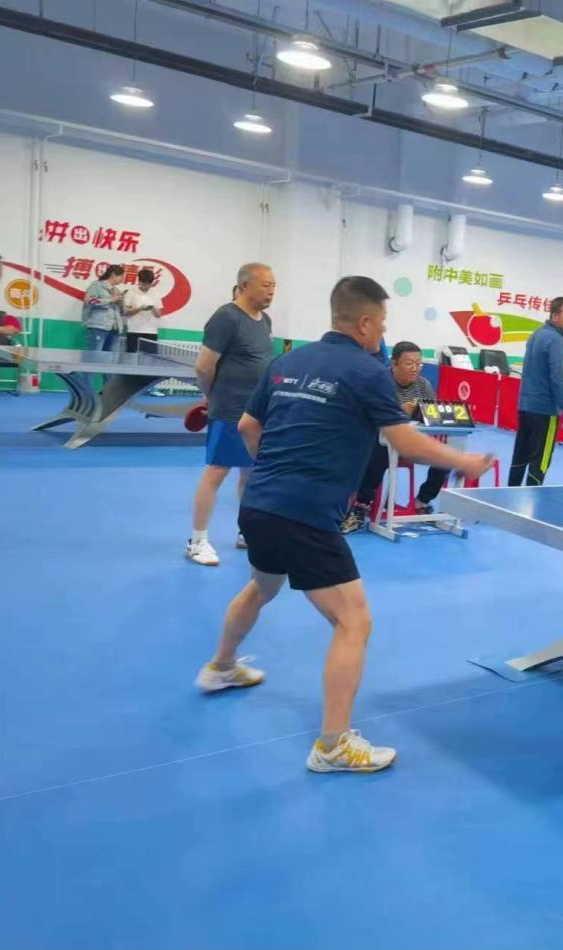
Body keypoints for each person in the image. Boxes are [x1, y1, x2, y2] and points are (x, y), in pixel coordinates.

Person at [194, 276, 493, 773]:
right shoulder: (368, 371)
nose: (384, 332)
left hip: (261, 503)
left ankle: (221, 667)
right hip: (306, 514)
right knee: (354, 621)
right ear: (366, 322)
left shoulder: (287, 362)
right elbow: (405, 441)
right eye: (383, 322)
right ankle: (333, 745)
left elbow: (248, 427)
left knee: (262, 587)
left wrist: (275, 469)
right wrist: (464, 462)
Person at [187, 263, 276, 566]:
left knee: (251, 472)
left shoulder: (265, 320)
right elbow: (203, 366)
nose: (271, 291)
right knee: (217, 472)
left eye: (274, 286)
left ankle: (246, 532)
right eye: (265, 285)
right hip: (229, 410)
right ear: (245, 285)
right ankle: (197, 541)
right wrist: (212, 396)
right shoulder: (226, 317)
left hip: (257, 412)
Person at [341, 341, 450, 532]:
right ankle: (360, 507)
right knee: (378, 451)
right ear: (394, 364)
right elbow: (367, 416)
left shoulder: (424, 385)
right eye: (409, 363)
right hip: (379, 441)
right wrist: (399, 411)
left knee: (445, 457)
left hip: (412, 442)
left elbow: (432, 415)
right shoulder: (380, 383)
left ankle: (422, 501)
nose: (415, 368)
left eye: (418, 363)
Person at [509, 296, 563, 486]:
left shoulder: (536, 335)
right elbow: (557, 378)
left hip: (525, 407)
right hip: (545, 410)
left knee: (520, 455)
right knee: (540, 462)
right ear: (555, 316)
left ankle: (508, 495)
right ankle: (532, 500)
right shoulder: (556, 340)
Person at [81, 264, 125, 353]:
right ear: (113, 274)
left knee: (109, 358)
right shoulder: (97, 285)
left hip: (114, 328)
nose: (122, 279)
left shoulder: (116, 290)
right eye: (121, 276)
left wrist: (121, 303)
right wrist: (110, 300)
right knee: (94, 355)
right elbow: (89, 301)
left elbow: (120, 310)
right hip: (99, 327)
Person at [122, 268, 164, 353]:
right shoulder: (131, 292)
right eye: (144, 284)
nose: (146, 286)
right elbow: (126, 312)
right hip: (134, 330)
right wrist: (140, 308)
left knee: (150, 358)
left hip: (151, 331)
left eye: (149, 284)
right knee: (131, 357)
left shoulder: (155, 293)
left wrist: (152, 308)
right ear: (139, 281)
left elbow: (159, 315)